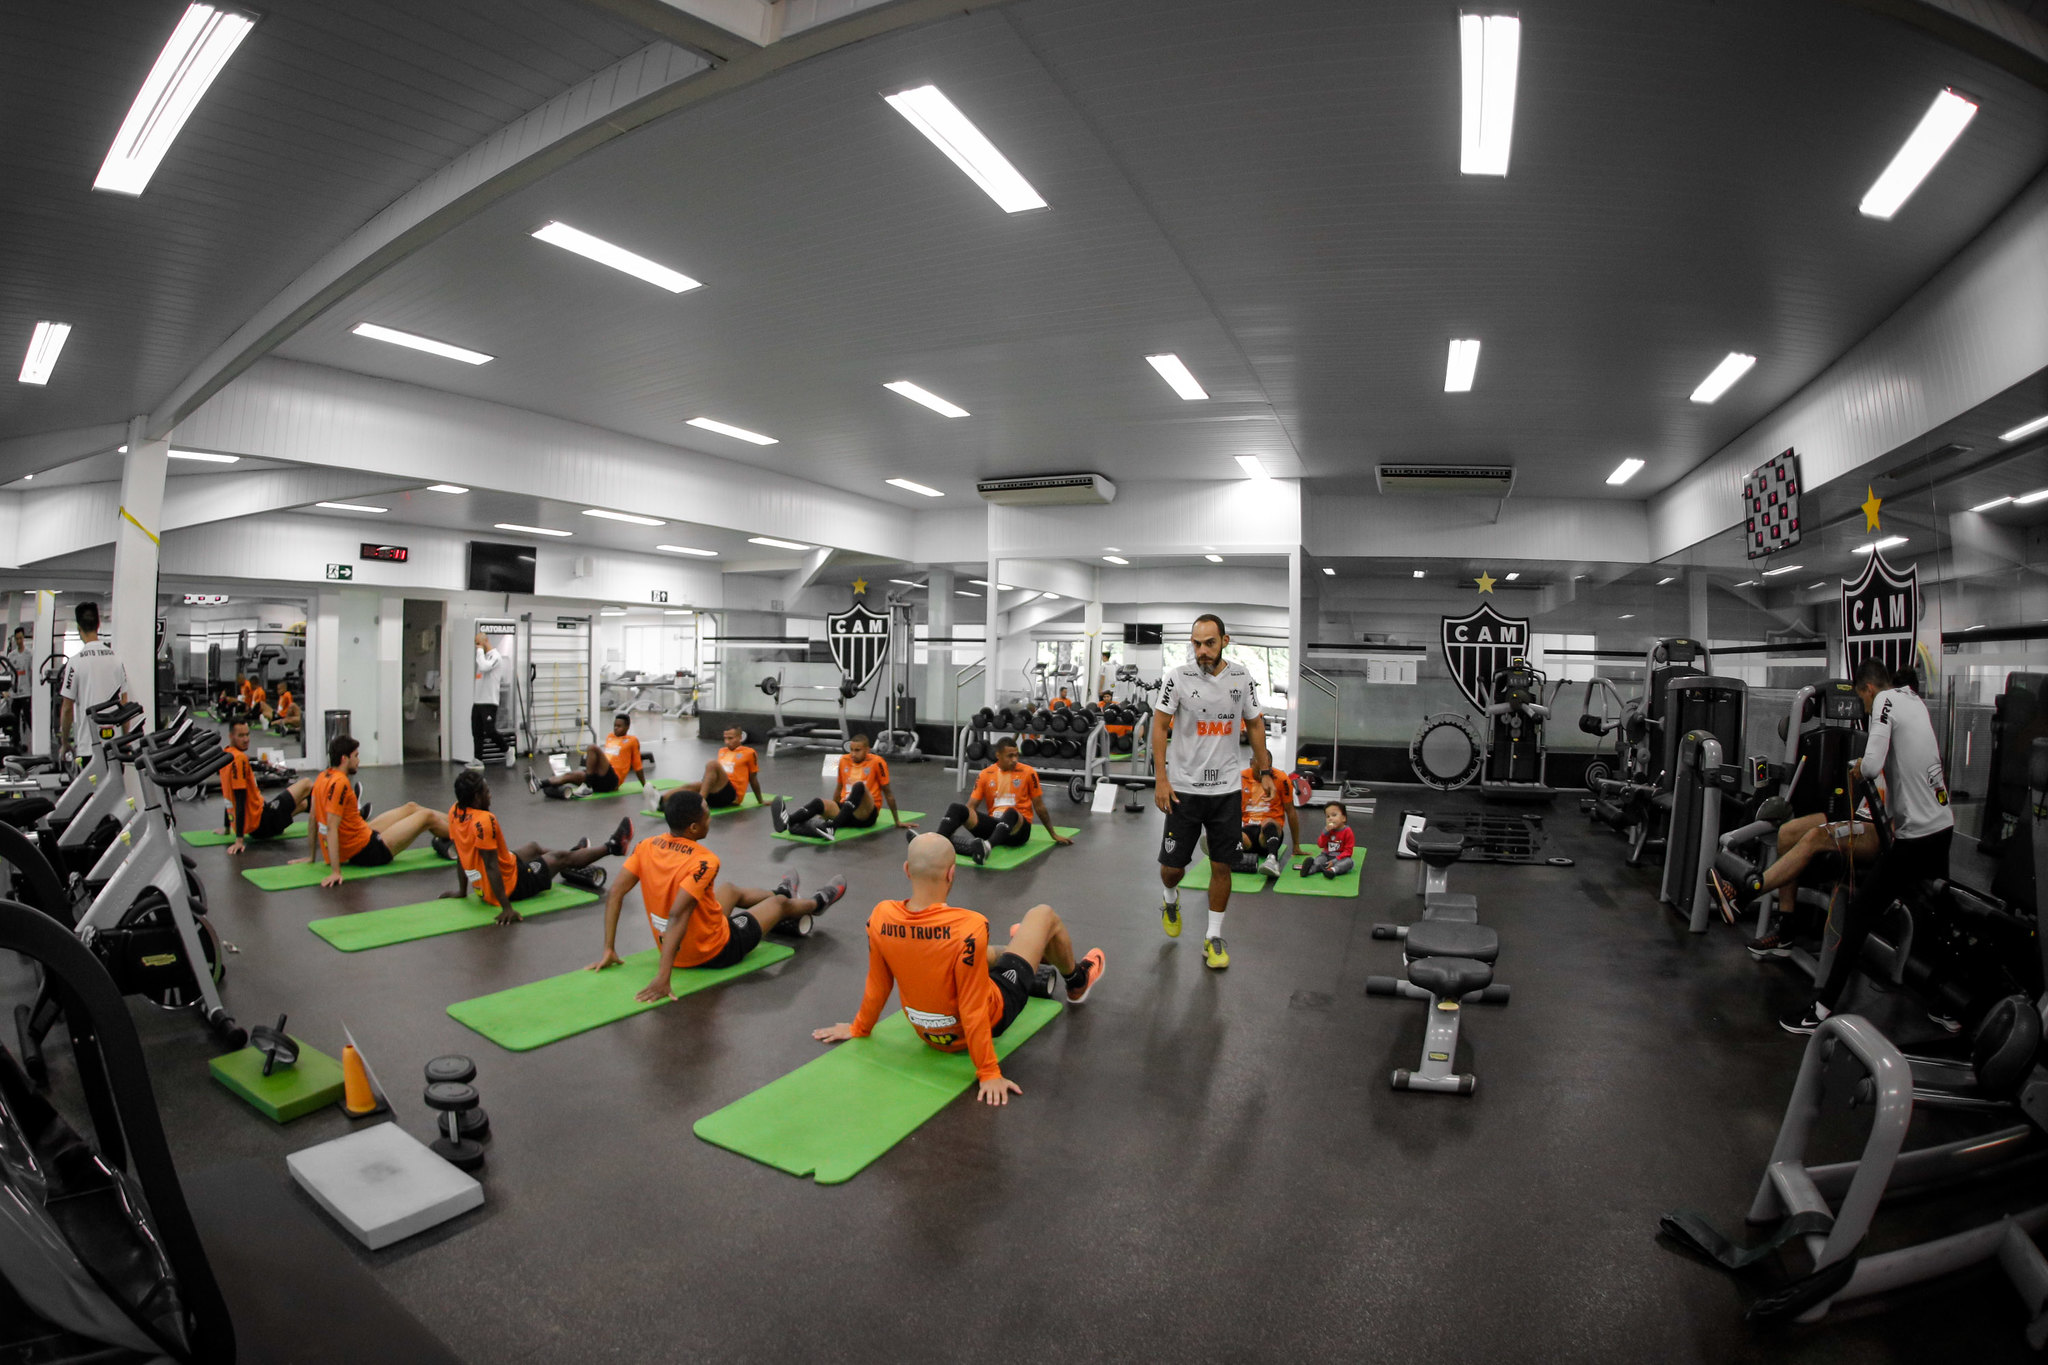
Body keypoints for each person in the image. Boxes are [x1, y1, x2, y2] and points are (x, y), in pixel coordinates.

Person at [811, 832, 1106, 1106]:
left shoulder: (881, 917)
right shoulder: (969, 925)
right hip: (991, 1017)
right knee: (1043, 915)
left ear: (906, 870)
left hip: (927, 1033)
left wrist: (858, 1028)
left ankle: (1025, 949)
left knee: (983, 953)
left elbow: (879, 982)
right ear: (952, 874)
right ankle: (1076, 980)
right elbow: (973, 1006)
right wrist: (988, 1072)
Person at [1782, 658, 1955, 1035]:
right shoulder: (1914, 701)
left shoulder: (1884, 701)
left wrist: (1858, 765)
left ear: (1868, 688)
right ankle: (1947, 1006)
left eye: (1861, 701)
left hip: (1918, 838)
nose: (1863, 710)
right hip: (1942, 828)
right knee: (1936, 915)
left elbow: (1874, 767)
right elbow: (1897, 782)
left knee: (1859, 912)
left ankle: (1822, 1010)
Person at [586, 790, 846, 1002]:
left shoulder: (646, 846)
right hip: (714, 951)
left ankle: (782, 891)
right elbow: (677, 914)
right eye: (707, 816)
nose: (711, 819)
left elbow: (616, 892)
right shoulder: (705, 861)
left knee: (729, 890)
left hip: (680, 940)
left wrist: (609, 948)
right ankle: (817, 902)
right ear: (693, 827)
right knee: (778, 905)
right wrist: (663, 977)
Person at [1151, 613, 1274, 971]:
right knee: (1172, 870)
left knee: (1223, 865)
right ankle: (1170, 897)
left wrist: (1264, 768)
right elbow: (1160, 727)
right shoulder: (1177, 678)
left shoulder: (1241, 677)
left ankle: (1213, 936)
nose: (1202, 651)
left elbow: (1254, 723)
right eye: (1196, 643)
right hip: (1184, 790)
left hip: (1226, 790)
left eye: (1209, 643)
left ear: (1225, 641)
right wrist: (1161, 778)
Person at [440, 770, 629, 924]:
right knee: (558, 858)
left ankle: (576, 854)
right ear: (475, 799)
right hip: (513, 885)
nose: (490, 795)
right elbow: (491, 867)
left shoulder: (455, 811)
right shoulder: (484, 821)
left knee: (534, 847)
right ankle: (613, 847)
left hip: (499, 873)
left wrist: (463, 891)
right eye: (486, 792)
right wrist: (507, 908)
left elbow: (461, 854)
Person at [295, 734, 452, 889]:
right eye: (355, 756)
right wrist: (336, 872)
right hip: (368, 851)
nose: (359, 761)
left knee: (411, 807)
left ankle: (456, 819)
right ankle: (463, 832)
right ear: (344, 759)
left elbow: (312, 819)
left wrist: (311, 857)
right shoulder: (340, 783)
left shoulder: (323, 776)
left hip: (360, 835)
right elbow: (331, 827)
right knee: (427, 817)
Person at [931, 736, 1072, 864]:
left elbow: (1039, 806)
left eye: (1016, 755)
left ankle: (987, 847)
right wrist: (963, 820)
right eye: (1009, 756)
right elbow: (971, 806)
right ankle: (935, 843)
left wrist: (1053, 834)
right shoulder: (986, 774)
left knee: (1011, 812)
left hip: (1019, 831)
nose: (1014, 759)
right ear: (998, 755)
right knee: (957, 808)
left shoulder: (1028, 772)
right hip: (995, 827)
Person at [772, 732, 912, 840]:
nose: (853, 754)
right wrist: (828, 811)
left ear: (867, 750)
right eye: (851, 749)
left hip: (866, 814)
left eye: (857, 750)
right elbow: (839, 788)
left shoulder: (877, 762)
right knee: (818, 803)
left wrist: (897, 820)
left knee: (859, 787)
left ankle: (832, 828)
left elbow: (888, 792)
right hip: (846, 810)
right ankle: (788, 821)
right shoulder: (844, 761)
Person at [218, 719, 313, 855]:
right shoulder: (239, 759)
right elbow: (239, 799)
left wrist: (227, 826)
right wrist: (239, 840)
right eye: (241, 736)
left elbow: (228, 796)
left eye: (247, 734)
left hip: (257, 830)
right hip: (263, 820)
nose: (246, 739)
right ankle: (332, 812)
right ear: (231, 736)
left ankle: (325, 815)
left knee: (303, 804)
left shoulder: (226, 756)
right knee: (307, 783)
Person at [57, 601, 129, 764]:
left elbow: (67, 708)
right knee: (115, 789)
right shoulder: (116, 659)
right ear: (98, 625)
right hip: (113, 745)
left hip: (88, 746)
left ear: (78, 628)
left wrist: (65, 743)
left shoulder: (75, 663)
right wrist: (125, 740)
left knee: (92, 790)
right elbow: (124, 704)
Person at [533, 714, 644, 798]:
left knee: (592, 747)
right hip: (598, 777)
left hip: (612, 781)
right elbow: (608, 757)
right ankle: (539, 784)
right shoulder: (610, 737)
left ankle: (587, 785)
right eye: (615, 725)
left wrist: (645, 785)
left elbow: (637, 765)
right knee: (569, 775)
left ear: (627, 727)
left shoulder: (632, 741)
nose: (616, 728)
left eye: (619, 726)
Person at [1235, 761, 1300, 877]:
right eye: (1259, 769)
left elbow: (1291, 811)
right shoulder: (1241, 777)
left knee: (1268, 822)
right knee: (1234, 835)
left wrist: (1296, 845)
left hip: (1269, 834)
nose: (1263, 773)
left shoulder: (1281, 778)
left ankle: (1272, 860)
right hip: (1249, 832)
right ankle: (1221, 848)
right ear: (1251, 764)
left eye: (1267, 769)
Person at [681, 725, 764, 809]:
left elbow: (753, 779)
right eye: (725, 738)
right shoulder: (722, 751)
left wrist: (760, 801)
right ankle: (667, 801)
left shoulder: (749, 753)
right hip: (718, 793)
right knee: (689, 787)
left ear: (740, 737)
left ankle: (700, 805)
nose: (727, 742)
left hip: (732, 796)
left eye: (730, 738)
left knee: (712, 764)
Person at [472, 631, 508, 767]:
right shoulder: (483, 656)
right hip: (478, 701)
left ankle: (508, 750)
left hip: (489, 701)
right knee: (477, 732)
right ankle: (478, 759)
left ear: (485, 640)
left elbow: (484, 667)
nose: (477, 646)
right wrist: (480, 651)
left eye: (478, 643)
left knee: (490, 731)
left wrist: (480, 649)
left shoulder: (496, 656)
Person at [1296, 802, 1356, 879]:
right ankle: (1309, 870)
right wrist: (1325, 833)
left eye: (1334, 815)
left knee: (1349, 862)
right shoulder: (1327, 831)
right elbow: (1320, 845)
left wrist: (1334, 861)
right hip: (1326, 855)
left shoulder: (1347, 831)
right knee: (1319, 860)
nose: (1330, 818)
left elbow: (1348, 851)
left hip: (1340, 858)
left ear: (1343, 818)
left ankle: (1332, 870)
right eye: (1328, 816)